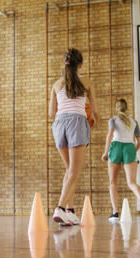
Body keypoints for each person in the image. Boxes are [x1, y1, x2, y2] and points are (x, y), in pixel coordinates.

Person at [49, 48, 99, 226]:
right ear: (81, 65)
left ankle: (69, 213)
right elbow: (95, 111)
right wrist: (94, 121)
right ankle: (60, 208)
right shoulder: (86, 82)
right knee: (74, 173)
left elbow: (51, 113)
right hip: (77, 123)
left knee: (69, 170)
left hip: (59, 125)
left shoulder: (56, 85)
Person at [101, 99, 140, 221]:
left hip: (116, 146)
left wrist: (106, 152)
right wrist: (133, 151)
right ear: (126, 108)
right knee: (131, 182)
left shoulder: (113, 120)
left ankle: (115, 212)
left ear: (116, 108)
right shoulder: (133, 121)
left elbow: (110, 135)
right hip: (130, 147)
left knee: (112, 182)